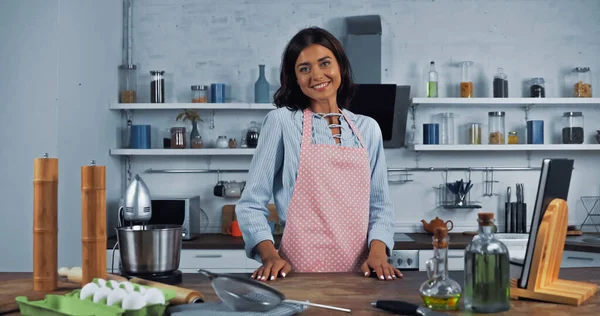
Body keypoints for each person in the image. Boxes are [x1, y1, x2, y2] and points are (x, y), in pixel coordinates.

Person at [235, 26, 400, 282]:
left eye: (325, 63)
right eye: (304, 69)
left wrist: (379, 252)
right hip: (298, 275)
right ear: (295, 78)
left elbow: (380, 206)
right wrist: (269, 256)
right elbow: (251, 205)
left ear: (340, 67)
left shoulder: (368, 129)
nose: (317, 75)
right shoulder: (282, 123)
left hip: (362, 277)